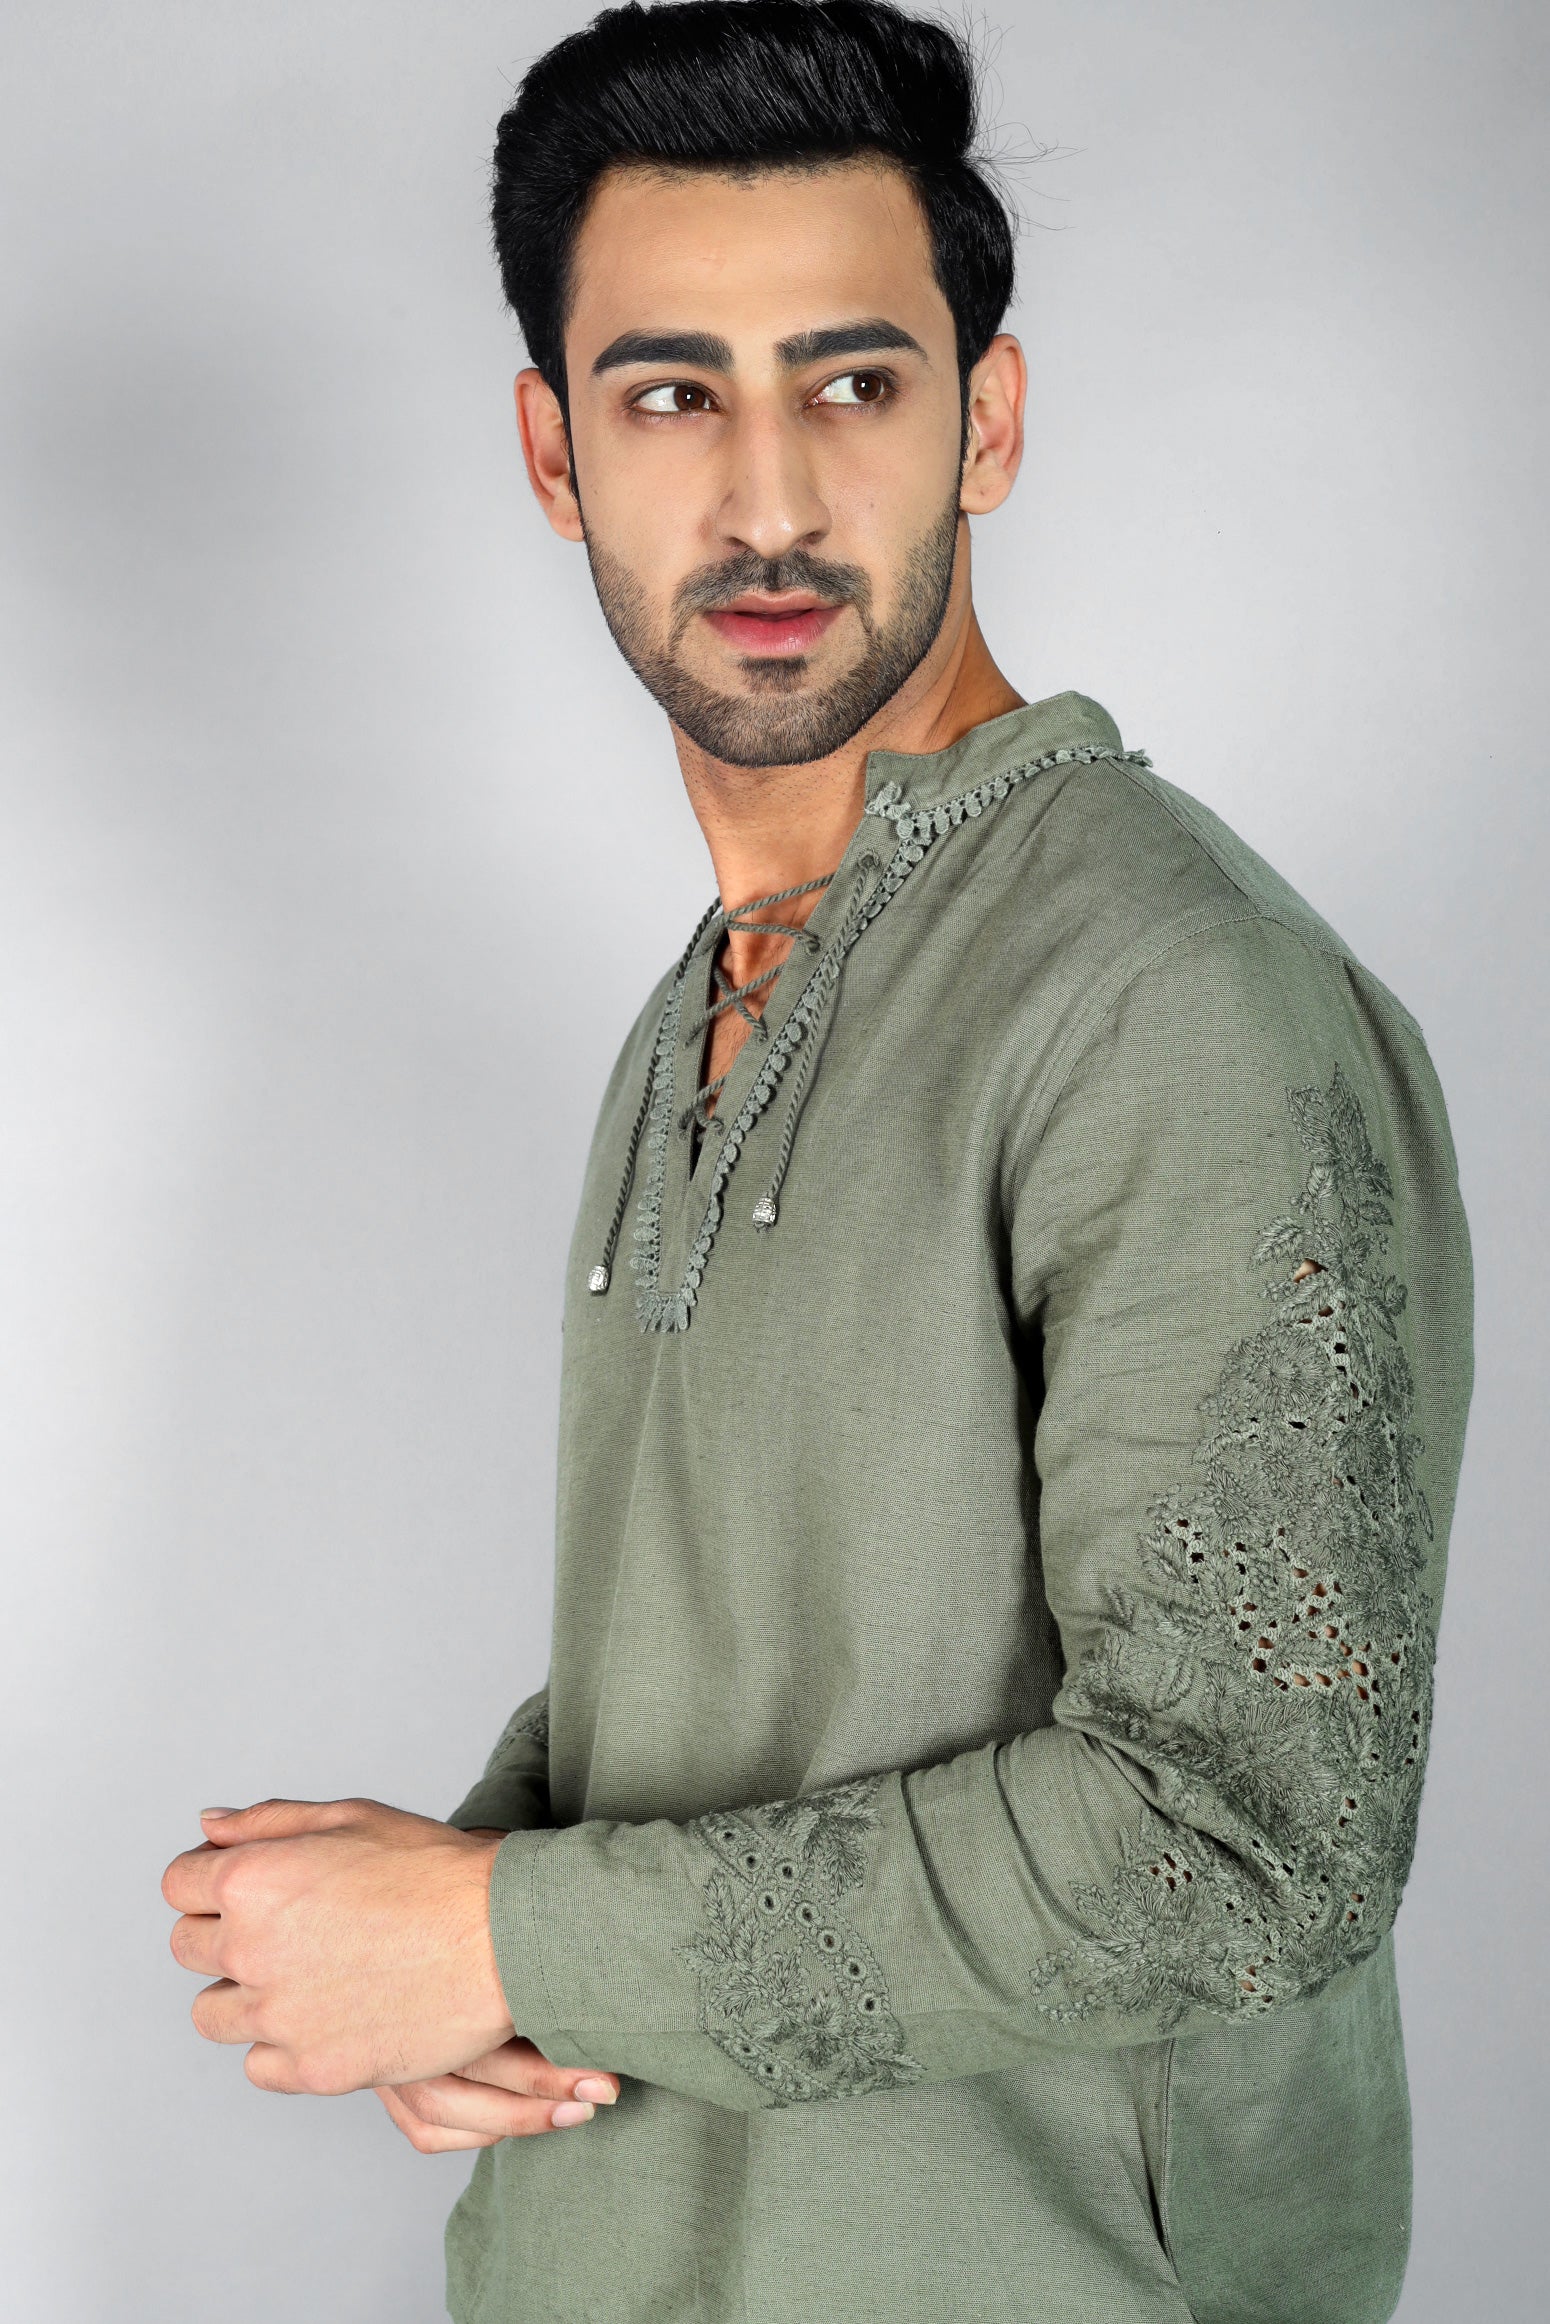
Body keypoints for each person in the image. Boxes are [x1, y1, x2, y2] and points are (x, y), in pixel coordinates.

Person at [161, 4, 1475, 2319]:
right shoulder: (706, 1002)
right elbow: (749, 1665)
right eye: (673, 396)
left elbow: (1241, 1839)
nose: (765, 498)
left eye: (851, 384)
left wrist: (503, 1932)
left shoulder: (1174, 997)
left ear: (989, 418)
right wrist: (463, 1922)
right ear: (556, 454)